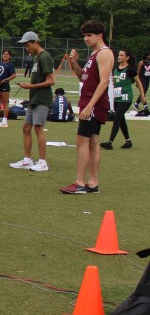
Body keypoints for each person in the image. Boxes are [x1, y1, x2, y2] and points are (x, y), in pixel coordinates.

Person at [61, 20, 114, 194]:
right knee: (92, 141)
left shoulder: (104, 53)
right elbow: (83, 78)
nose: (86, 39)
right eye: (84, 36)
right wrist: (74, 63)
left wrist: (90, 105)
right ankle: (92, 183)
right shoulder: (94, 54)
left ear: (99, 36)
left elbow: (104, 82)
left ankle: (80, 183)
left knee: (82, 141)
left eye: (89, 35)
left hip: (94, 104)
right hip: (90, 102)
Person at [10, 31, 55, 172]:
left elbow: (51, 81)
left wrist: (31, 86)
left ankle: (42, 162)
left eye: (28, 45)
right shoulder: (36, 58)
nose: (26, 48)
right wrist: (29, 86)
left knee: (38, 128)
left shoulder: (44, 57)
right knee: (26, 127)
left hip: (42, 98)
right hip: (34, 98)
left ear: (36, 42)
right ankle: (27, 160)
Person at [101, 48, 146, 150]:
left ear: (127, 57)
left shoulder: (130, 69)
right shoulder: (115, 68)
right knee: (121, 120)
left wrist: (142, 95)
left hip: (126, 98)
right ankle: (128, 141)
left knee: (116, 118)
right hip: (117, 97)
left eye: (122, 55)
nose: (119, 57)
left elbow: (139, 82)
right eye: (119, 55)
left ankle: (110, 142)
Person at [0, 50, 16, 127]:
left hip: (5, 86)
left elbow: (14, 75)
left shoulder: (10, 64)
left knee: (5, 103)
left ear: (9, 56)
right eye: (4, 54)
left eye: (6, 54)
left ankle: (5, 121)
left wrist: (5, 80)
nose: (5, 55)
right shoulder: (0, 63)